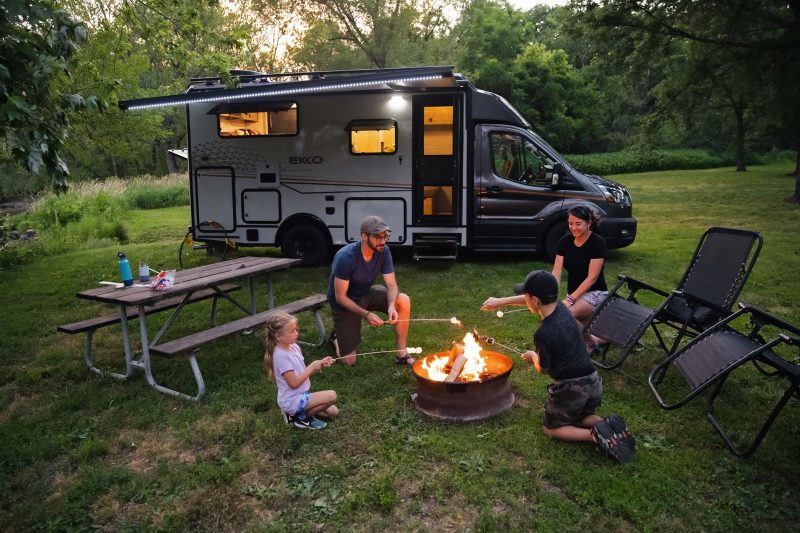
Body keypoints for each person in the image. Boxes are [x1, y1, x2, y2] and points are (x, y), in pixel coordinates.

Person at [488, 270, 634, 463]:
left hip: (572, 387)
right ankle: (606, 425)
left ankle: (595, 436)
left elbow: (544, 369)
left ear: (535, 300)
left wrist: (532, 356)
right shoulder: (563, 308)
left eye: (526, 297)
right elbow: (531, 299)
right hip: (592, 380)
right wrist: (500, 302)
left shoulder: (543, 333)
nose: (525, 299)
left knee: (552, 429)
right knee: (580, 416)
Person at [481, 204, 608, 353]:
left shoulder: (597, 243)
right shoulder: (565, 241)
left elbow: (592, 278)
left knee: (562, 315)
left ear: (589, 223)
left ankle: (588, 343)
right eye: (570, 223)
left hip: (595, 293)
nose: (573, 227)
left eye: (578, 224)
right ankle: (593, 341)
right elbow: (557, 271)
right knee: (559, 313)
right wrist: (550, 291)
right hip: (573, 295)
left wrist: (571, 299)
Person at [327, 215, 413, 366]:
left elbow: (392, 285)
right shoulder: (345, 257)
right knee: (349, 361)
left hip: (365, 294)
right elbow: (340, 297)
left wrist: (392, 305)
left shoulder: (384, 251)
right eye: (378, 237)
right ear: (364, 236)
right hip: (344, 304)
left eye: (385, 236)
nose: (383, 241)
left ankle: (401, 354)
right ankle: (336, 338)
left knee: (403, 300)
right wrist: (366, 314)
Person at [264, 311, 339, 430]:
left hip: (303, 395)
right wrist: (311, 367)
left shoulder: (294, 347)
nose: (296, 333)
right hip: (292, 400)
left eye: (296, 329)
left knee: (333, 411)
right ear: (278, 336)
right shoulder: (281, 356)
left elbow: (302, 372)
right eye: (292, 331)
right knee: (331, 396)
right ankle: (299, 418)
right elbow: (294, 383)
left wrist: (320, 364)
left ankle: (299, 414)